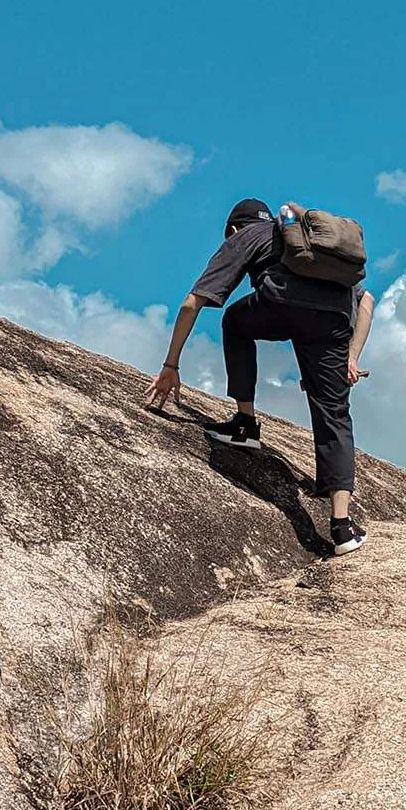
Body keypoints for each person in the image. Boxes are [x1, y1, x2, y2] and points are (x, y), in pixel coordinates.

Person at [146, 197, 375, 555]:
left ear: (232, 229)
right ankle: (342, 527)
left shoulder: (247, 234)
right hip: (333, 321)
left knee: (235, 323)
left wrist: (171, 365)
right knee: (333, 414)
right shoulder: (308, 244)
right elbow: (367, 301)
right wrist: (352, 355)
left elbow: (194, 301)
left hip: (282, 303)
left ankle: (245, 424)